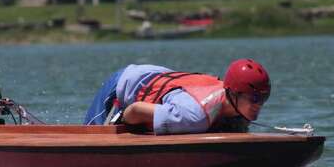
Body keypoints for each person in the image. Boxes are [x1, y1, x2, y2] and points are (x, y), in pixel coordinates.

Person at [84, 59, 271, 134]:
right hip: (125, 84)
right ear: (233, 93)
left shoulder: (228, 100)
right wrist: (120, 125)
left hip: (160, 78)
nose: (259, 105)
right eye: (254, 99)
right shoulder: (193, 116)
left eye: (264, 98)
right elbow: (135, 110)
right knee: (90, 138)